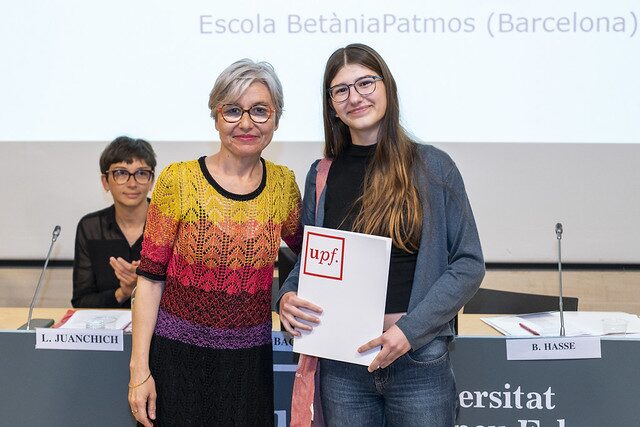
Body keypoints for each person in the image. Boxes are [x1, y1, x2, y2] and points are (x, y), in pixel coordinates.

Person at [278, 44, 485, 426]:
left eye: (365, 83)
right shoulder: (321, 175)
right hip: (343, 363)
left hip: (418, 357)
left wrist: (408, 332)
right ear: (331, 105)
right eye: (341, 90)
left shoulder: (433, 167)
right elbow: (310, 260)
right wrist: (287, 296)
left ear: (386, 86)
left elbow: (468, 263)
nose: (355, 97)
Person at [128, 59, 303, 427]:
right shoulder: (178, 181)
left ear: (276, 119)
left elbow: (310, 253)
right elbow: (150, 280)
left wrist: (290, 294)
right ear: (216, 117)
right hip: (177, 363)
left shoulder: (283, 185)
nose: (246, 123)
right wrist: (139, 370)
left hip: (248, 369)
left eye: (260, 111)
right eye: (233, 110)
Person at [72, 136, 156, 308]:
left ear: (151, 181)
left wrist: (146, 285)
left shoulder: (170, 226)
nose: (132, 184)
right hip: (108, 325)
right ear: (105, 182)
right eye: (121, 173)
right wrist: (123, 292)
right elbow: (81, 301)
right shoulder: (91, 227)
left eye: (141, 173)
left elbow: (185, 300)